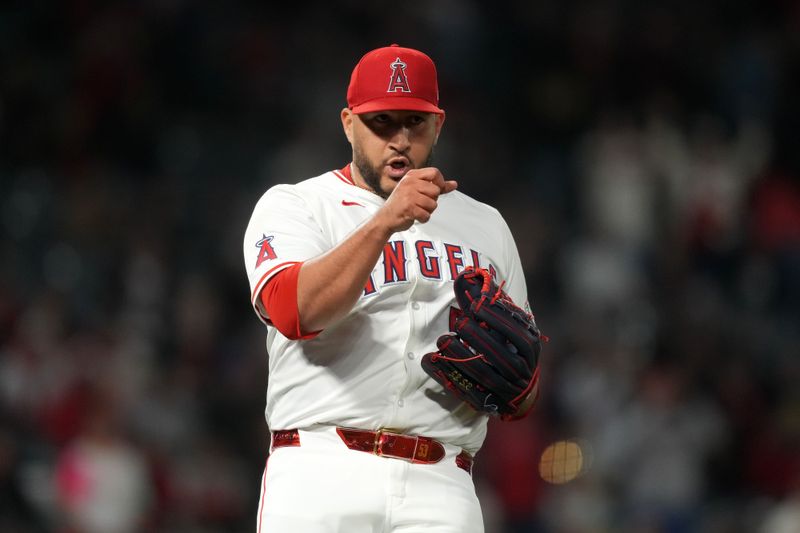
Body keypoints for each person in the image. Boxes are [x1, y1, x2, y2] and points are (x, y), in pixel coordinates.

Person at [243, 43, 538, 533]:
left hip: (442, 485)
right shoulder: (297, 206)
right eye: (382, 122)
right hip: (320, 473)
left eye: (414, 123)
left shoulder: (486, 227)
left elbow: (521, 389)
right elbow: (293, 310)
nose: (399, 140)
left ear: (438, 126)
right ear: (348, 123)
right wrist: (385, 222)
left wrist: (521, 386)